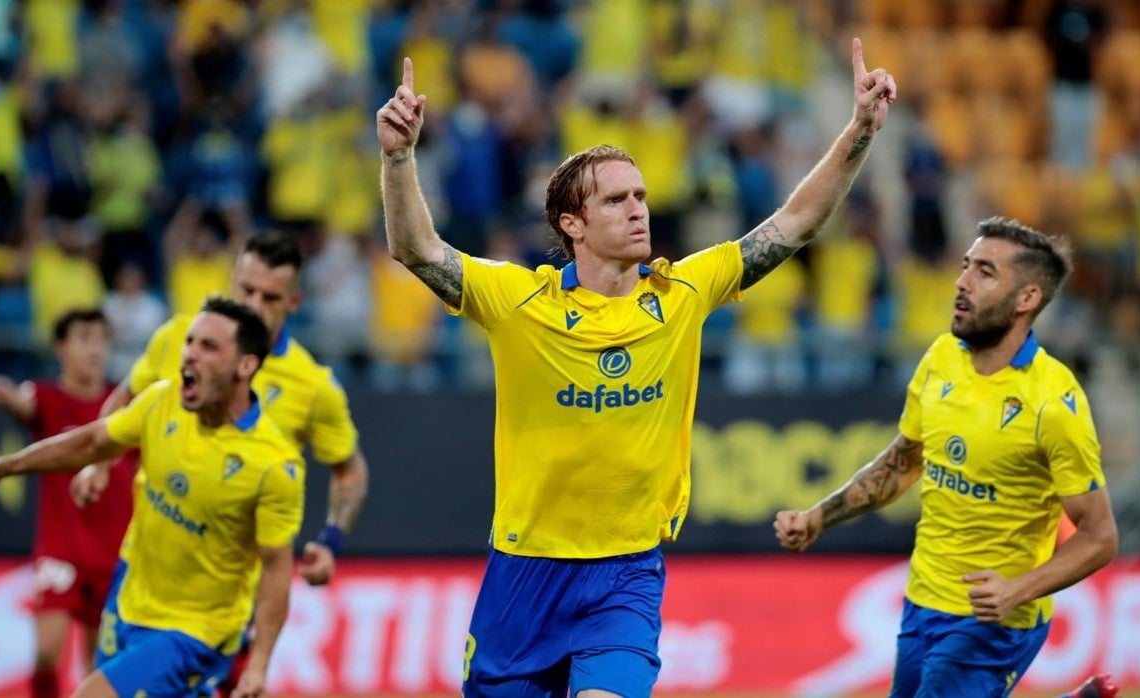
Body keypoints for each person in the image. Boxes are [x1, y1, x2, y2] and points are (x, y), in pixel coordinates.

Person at [377, 38, 895, 697]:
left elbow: (796, 223)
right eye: (617, 200)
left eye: (642, 196)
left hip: (625, 575)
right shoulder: (517, 301)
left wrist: (860, 131)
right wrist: (398, 157)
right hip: (525, 575)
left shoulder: (682, 294)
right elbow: (417, 249)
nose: (638, 208)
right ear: (573, 222)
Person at [774, 218, 1119, 697]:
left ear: (1027, 299)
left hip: (993, 620)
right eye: (965, 266)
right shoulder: (941, 357)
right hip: (923, 600)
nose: (962, 282)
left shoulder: (1053, 403)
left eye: (985, 272)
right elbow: (902, 463)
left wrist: (1015, 590)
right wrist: (818, 517)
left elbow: (1100, 537)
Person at [71, 229, 369, 695]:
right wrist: (99, 465)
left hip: (227, 599)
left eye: (270, 297)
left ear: (293, 302)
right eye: (245, 289)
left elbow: (349, 468)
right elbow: (125, 398)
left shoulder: (313, 386)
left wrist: (331, 538)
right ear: (231, 282)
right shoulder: (181, 339)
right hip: (143, 570)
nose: (254, 304)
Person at [0, 297, 304, 698]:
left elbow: (276, 570)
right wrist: (4, 467)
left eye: (208, 346)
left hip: (194, 630)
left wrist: (260, 662)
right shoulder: (162, 401)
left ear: (245, 366)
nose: (189, 353)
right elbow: (92, 442)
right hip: (128, 600)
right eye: (190, 341)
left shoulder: (273, 464)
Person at [0, 309, 131, 698]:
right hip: (61, 551)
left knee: (97, 671)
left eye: (101, 338)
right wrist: (7, 397)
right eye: (84, 338)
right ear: (61, 348)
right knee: (47, 656)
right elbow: (25, 403)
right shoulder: (48, 398)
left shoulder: (126, 407)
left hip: (115, 556)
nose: (95, 348)